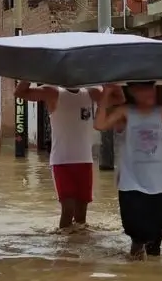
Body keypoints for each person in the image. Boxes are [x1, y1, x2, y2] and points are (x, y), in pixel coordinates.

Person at [95, 82, 162, 259]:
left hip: (157, 184)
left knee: (157, 235)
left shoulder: (160, 112)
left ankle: (154, 277)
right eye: (145, 88)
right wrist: (106, 93)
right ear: (133, 91)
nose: (151, 92)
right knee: (137, 235)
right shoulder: (126, 112)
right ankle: (134, 273)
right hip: (131, 184)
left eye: (152, 87)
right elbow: (100, 124)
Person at [14, 81, 124, 229]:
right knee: (68, 210)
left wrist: (108, 81)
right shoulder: (52, 91)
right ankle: (63, 248)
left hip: (85, 161)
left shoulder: (91, 92)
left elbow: (119, 99)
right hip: (61, 161)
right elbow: (19, 93)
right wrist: (28, 74)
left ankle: (77, 247)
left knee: (81, 215)